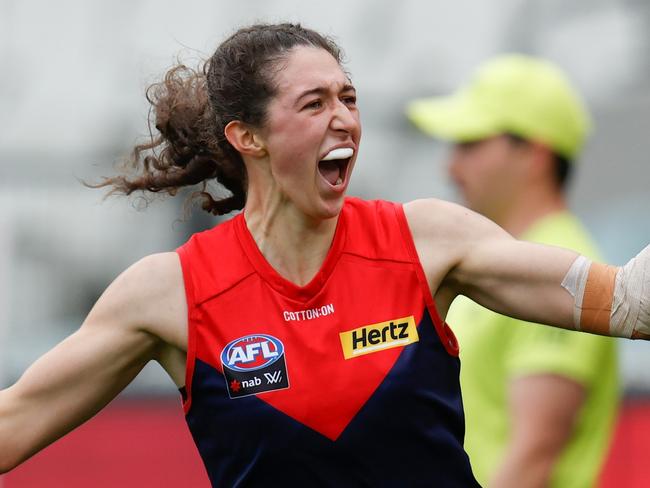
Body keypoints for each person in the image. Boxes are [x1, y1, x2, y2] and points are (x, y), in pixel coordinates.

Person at [0, 23, 648, 487]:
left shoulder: (428, 240)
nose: (344, 119)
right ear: (246, 136)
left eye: (349, 98)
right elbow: (14, 424)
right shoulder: (168, 292)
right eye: (315, 104)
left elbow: (629, 302)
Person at [406, 55, 619, 487]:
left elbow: (534, 456)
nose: (451, 167)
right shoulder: (499, 262)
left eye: (470, 143)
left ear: (534, 153)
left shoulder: (563, 263)